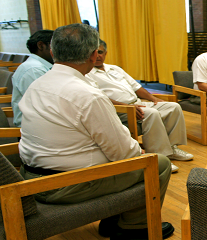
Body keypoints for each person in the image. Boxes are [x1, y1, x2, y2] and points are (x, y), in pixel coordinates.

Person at [18, 23, 174, 239]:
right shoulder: (87, 94)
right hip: (64, 184)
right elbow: (124, 154)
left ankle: (113, 221)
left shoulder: (38, 84)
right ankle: (134, 229)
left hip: (29, 177)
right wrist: (139, 151)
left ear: (53, 52)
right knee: (158, 163)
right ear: (93, 56)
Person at [87, 39, 193, 173]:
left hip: (137, 103)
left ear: (106, 53)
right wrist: (127, 107)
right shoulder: (88, 73)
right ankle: (160, 157)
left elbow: (136, 87)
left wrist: (154, 98)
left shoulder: (115, 68)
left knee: (173, 107)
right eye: (94, 53)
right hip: (120, 109)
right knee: (151, 114)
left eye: (101, 52)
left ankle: (171, 148)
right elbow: (100, 98)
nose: (98, 56)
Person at [12, 30, 54, 127]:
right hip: (32, 129)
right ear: (41, 46)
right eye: (56, 46)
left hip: (40, 123)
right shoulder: (34, 69)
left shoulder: (40, 66)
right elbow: (46, 105)